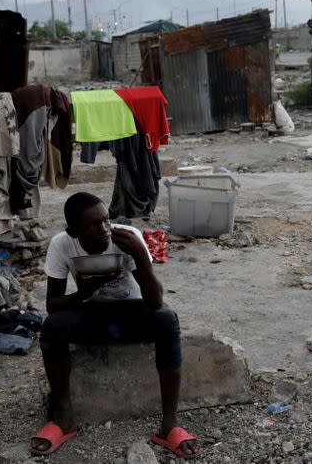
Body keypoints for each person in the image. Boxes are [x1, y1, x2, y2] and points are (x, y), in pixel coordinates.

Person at [30, 192, 201, 459]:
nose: (105, 229)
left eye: (106, 220)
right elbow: (53, 305)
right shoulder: (61, 245)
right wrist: (83, 292)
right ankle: (64, 418)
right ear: (74, 231)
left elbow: (155, 301)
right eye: (94, 225)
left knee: (167, 320)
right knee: (52, 326)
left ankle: (170, 425)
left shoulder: (126, 237)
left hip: (132, 313)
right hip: (91, 314)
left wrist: (140, 255)